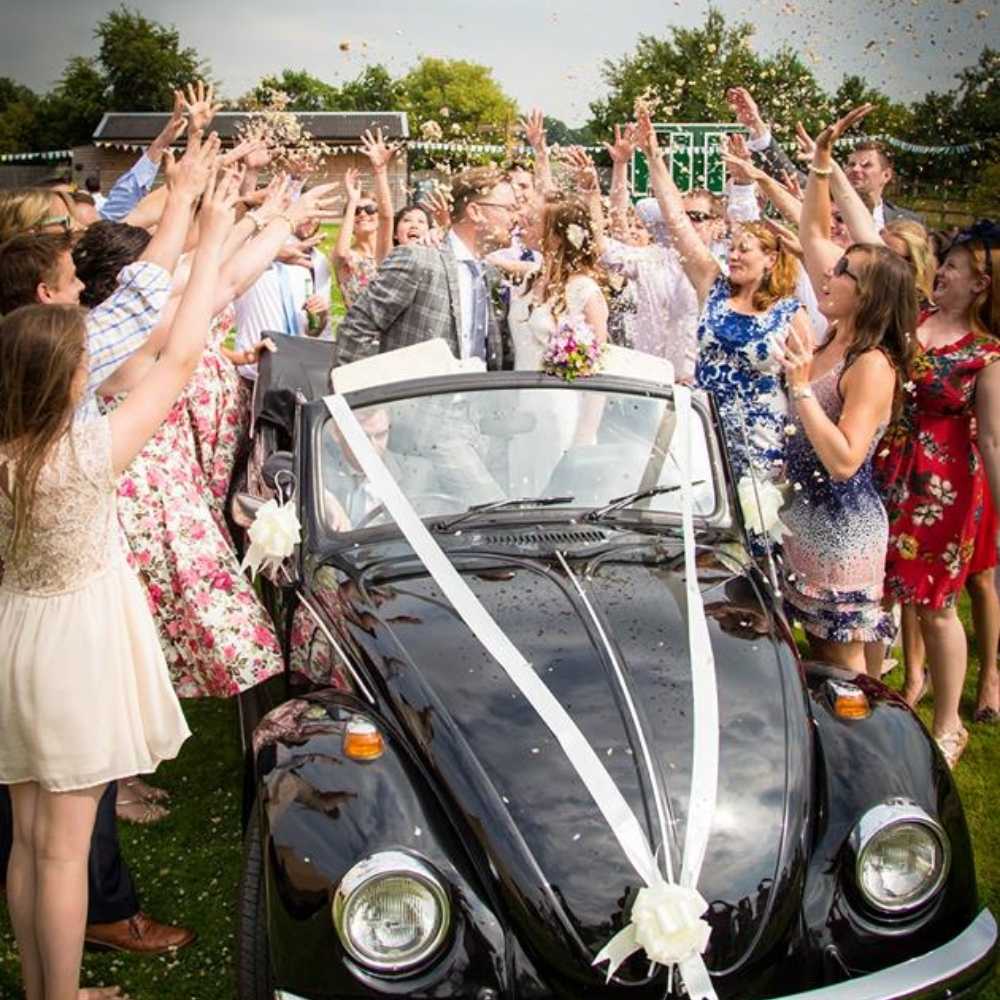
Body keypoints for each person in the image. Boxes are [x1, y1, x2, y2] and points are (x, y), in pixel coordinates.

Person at [0, 161, 238, 1000]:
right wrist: (209, 237)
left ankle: (42, 991)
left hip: (14, 630)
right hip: (72, 644)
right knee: (63, 847)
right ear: (59, 380)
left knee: (30, 839)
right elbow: (179, 352)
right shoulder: (84, 451)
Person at [777, 107, 917, 674]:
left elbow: (845, 460)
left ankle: (862, 758)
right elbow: (812, 232)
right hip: (801, 515)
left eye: (842, 275)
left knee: (841, 664)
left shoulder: (872, 364)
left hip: (840, 527)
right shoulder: (834, 334)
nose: (826, 277)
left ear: (868, 295)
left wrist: (800, 386)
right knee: (806, 655)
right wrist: (819, 168)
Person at [874, 219, 1000, 766]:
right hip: (891, 467)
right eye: (944, 264)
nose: (942, 272)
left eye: (954, 268)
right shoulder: (916, 318)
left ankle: (948, 723)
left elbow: (993, 440)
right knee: (876, 592)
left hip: (944, 487)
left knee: (935, 606)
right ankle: (874, 704)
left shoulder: (987, 355)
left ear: (981, 285)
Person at [637, 109, 805, 495]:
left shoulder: (789, 314)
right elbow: (678, 222)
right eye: (731, 248)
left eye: (744, 250)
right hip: (701, 426)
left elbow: (802, 387)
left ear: (771, 259)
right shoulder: (712, 284)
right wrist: (654, 157)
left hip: (760, 436)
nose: (733, 256)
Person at [332, 165, 518, 370]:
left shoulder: (491, 277)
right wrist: (371, 396)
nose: (516, 218)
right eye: (510, 209)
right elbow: (356, 328)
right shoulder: (418, 260)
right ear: (475, 211)